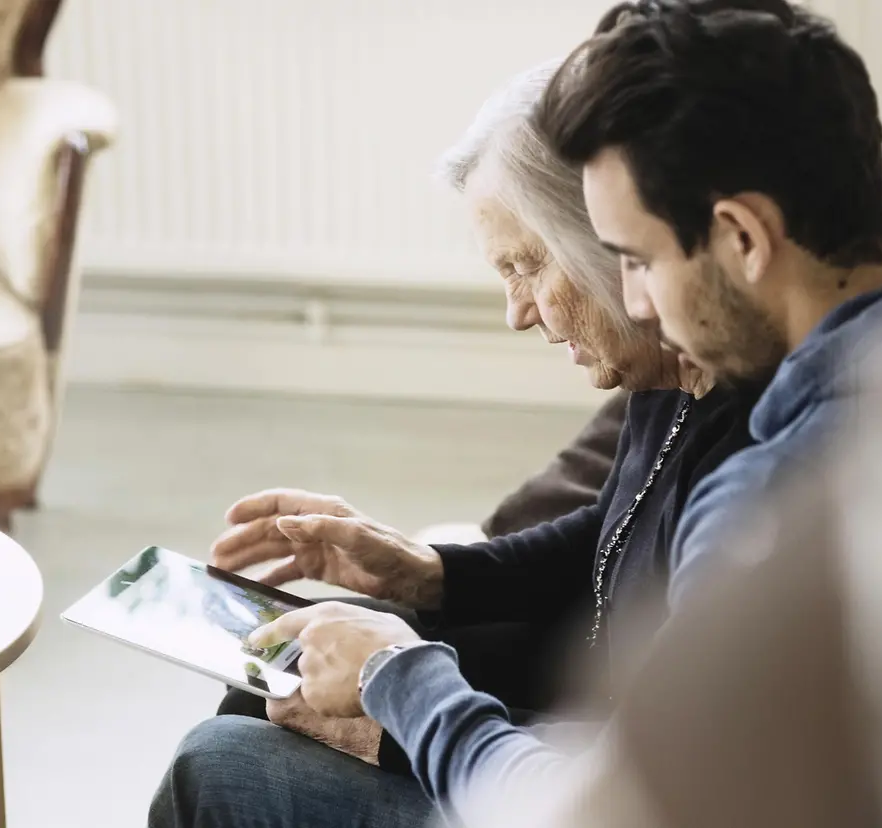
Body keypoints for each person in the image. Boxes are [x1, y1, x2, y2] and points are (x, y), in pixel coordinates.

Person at [154, 1, 882, 825]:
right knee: (282, 679)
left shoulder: (771, 499)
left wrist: (401, 680)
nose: (636, 303)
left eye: (634, 258)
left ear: (742, 237)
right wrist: (434, 576)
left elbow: (603, 809)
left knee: (218, 762)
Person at [149, 56, 765, 828]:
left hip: (590, 778)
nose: (517, 311)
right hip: (574, 721)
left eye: (528, 264)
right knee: (285, 662)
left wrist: (396, 722)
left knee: (215, 765)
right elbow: (613, 535)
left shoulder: (755, 463)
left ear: (609, 237)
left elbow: (636, 788)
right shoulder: (664, 372)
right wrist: (425, 573)